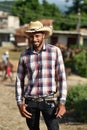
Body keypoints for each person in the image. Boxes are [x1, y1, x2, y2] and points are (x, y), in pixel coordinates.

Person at [15, 21, 67, 130]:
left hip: (49, 101)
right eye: (32, 36)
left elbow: (62, 78)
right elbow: (19, 80)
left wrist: (62, 102)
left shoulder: (55, 51)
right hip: (30, 102)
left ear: (43, 35)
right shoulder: (24, 55)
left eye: (37, 36)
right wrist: (19, 103)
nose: (34, 39)